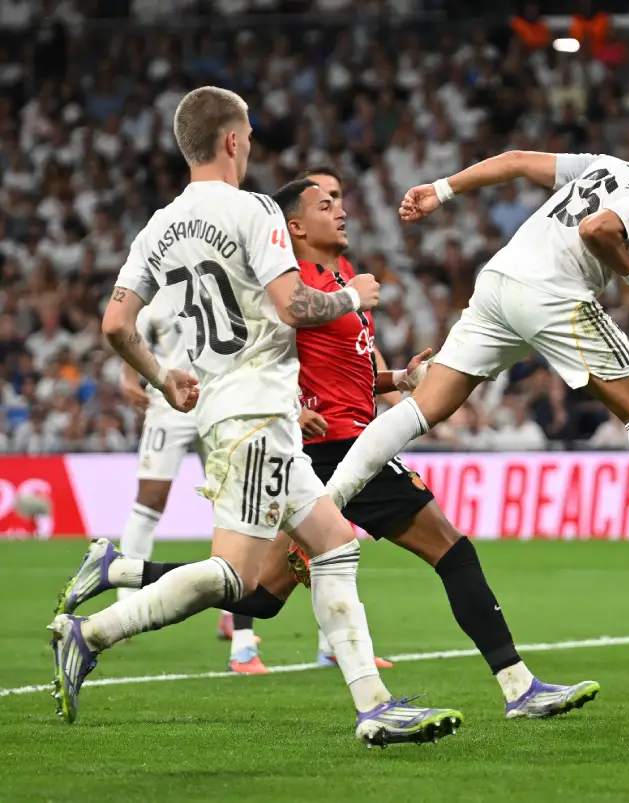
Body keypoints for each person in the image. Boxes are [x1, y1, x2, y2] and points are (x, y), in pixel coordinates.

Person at [72, 168, 599, 718]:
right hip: (337, 447)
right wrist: (287, 407)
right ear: (294, 226)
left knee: (257, 594)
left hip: (335, 444)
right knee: (453, 551)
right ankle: (517, 687)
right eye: (326, 204)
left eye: (340, 199)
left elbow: (353, 374)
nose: (340, 210)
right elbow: (249, 348)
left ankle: (117, 569)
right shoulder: (289, 282)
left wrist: (399, 379)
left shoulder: (338, 278)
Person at [49, 86, 463, 747]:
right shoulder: (255, 210)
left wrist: (164, 375)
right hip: (253, 412)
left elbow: (115, 322)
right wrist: (353, 296)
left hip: (240, 409)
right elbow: (296, 305)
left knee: (334, 544)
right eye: (250, 133)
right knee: (237, 576)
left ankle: (374, 706)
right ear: (234, 141)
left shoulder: (158, 226)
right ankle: (93, 630)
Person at [323, 149, 629, 590]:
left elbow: (516, 161)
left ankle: (327, 505)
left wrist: (442, 190)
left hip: (500, 282)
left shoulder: (615, 166)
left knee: (422, 408)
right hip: (552, 293)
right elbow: (597, 228)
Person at [113, 294, 202, 605]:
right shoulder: (157, 300)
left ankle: (235, 611)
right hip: (168, 402)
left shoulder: (219, 280)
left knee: (231, 501)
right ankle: (125, 600)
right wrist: (127, 378)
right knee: (150, 497)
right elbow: (127, 332)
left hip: (218, 400)